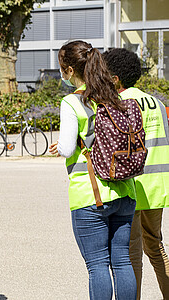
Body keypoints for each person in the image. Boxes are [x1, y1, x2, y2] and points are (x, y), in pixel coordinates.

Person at [48, 40, 137, 299]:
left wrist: (59, 148)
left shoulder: (72, 102)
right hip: (125, 190)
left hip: (90, 193)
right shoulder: (114, 96)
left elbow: (66, 147)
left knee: (97, 265)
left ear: (70, 71)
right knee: (122, 261)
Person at [103, 48, 169, 300]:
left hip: (132, 186)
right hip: (157, 186)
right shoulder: (158, 103)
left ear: (115, 78)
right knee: (155, 246)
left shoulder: (120, 105)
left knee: (130, 254)